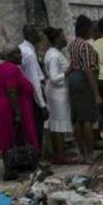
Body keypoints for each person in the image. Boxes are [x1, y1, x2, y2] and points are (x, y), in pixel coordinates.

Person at [0, 43, 41, 180]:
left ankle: (9, 169)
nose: (20, 56)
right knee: (13, 137)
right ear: (9, 56)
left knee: (5, 139)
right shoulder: (13, 69)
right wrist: (17, 112)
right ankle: (16, 169)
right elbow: (11, 91)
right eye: (17, 53)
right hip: (9, 106)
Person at [67, 15, 102, 163]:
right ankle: (89, 154)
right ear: (86, 29)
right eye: (91, 29)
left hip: (73, 80)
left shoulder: (73, 45)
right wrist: (96, 94)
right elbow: (88, 70)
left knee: (77, 119)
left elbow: (72, 65)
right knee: (86, 119)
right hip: (84, 81)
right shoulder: (85, 46)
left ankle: (82, 153)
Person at [43, 27, 74, 164]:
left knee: (57, 125)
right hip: (57, 94)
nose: (65, 39)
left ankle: (60, 154)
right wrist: (68, 71)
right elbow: (54, 77)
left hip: (59, 93)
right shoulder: (54, 55)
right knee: (57, 126)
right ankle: (60, 156)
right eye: (63, 36)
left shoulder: (55, 52)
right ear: (57, 39)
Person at [18, 25, 49, 152]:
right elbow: (34, 81)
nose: (40, 36)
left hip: (26, 95)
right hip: (33, 96)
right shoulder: (29, 54)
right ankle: (37, 157)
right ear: (31, 36)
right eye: (37, 33)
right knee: (37, 129)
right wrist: (42, 105)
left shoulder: (23, 49)